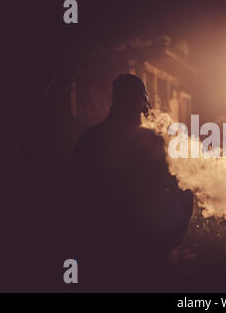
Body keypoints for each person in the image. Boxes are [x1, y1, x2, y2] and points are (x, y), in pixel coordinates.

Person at [69, 74, 193, 291]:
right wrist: (174, 239)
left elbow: (74, 195)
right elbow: (183, 190)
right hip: (147, 246)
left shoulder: (89, 139)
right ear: (141, 103)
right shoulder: (156, 142)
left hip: (100, 247)